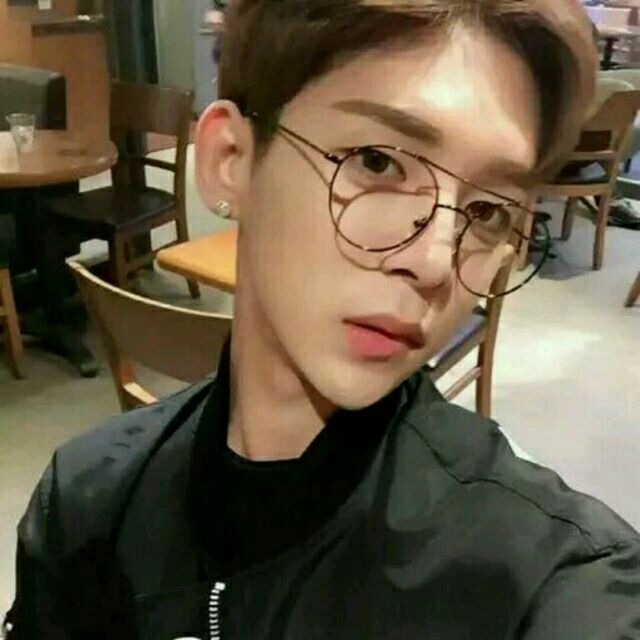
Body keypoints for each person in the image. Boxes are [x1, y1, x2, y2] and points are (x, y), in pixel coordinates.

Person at [5, 1, 640, 638]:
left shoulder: (539, 575)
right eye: (379, 162)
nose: (434, 262)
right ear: (231, 159)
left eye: (488, 212)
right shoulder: (86, 503)